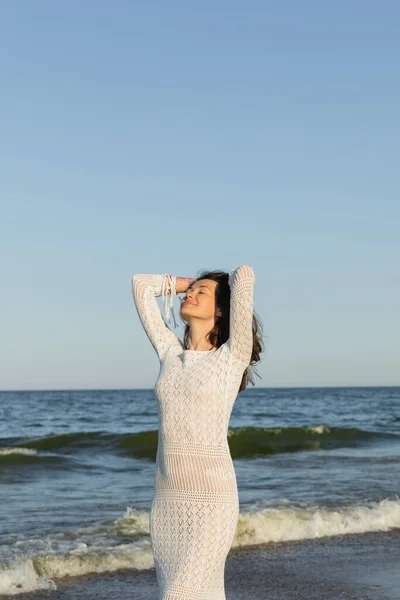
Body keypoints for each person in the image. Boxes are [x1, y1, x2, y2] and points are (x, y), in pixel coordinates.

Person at [131, 265, 263, 599]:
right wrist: (191, 284)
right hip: (166, 504)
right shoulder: (169, 353)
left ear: (220, 310)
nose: (190, 295)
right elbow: (140, 285)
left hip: (212, 502)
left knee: (178, 594)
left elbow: (244, 280)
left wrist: (231, 283)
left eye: (201, 293)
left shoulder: (230, 358)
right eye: (190, 291)